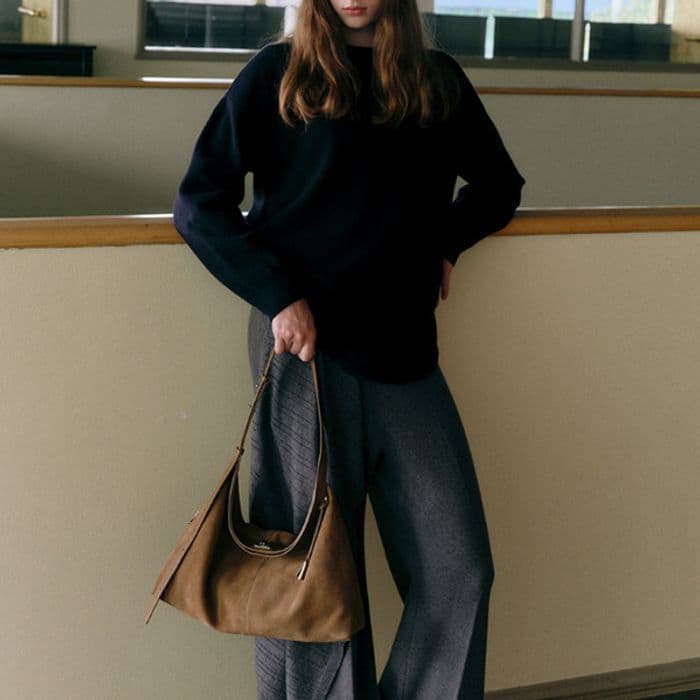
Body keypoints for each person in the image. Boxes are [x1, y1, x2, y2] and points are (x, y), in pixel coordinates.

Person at [173, 0, 526, 696]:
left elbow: (498, 185)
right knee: (315, 569)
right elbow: (199, 203)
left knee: (460, 567)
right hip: (302, 353)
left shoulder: (436, 80)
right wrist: (278, 295)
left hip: (404, 348)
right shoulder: (278, 73)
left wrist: (446, 241)